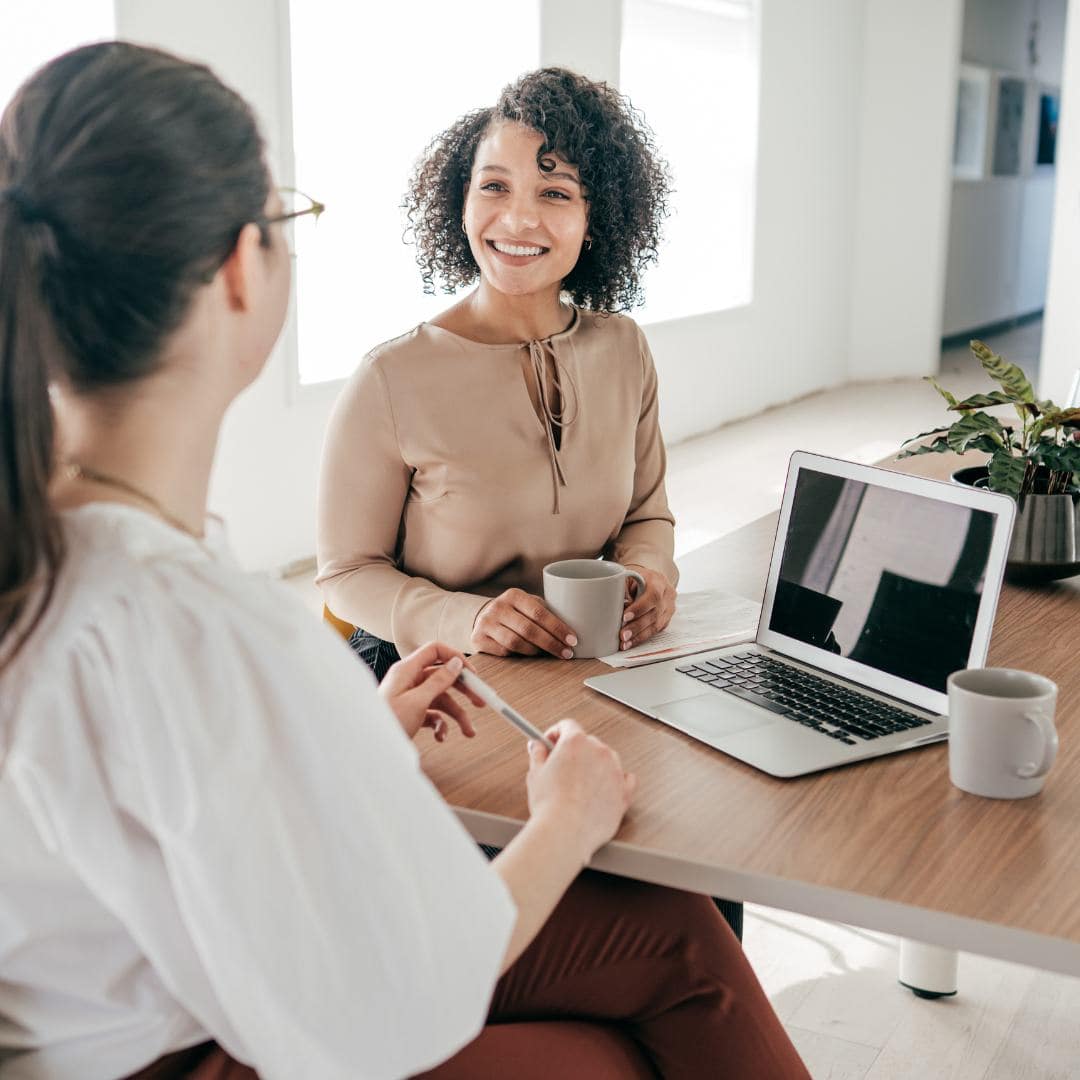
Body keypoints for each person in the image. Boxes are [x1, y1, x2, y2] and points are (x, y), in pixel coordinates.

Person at [0, 43, 809, 1078]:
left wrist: (355, 742)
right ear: (245, 266)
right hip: (206, 1047)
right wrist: (566, 820)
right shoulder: (200, 618)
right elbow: (393, 1001)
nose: (518, 217)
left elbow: (172, 810)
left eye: (553, 192)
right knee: (641, 1024)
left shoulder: (78, 562)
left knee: (676, 940)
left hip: (175, 1002)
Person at [316, 68, 679, 681]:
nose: (516, 221)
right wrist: (468, 619)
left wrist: (651, 576)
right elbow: (347, 575)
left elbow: (646, 514)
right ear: (461, 202)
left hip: (578, 664)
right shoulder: (390, 377)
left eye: (555, 193)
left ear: (597, 219)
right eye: (494, 187)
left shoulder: (623, 348)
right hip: (426, 674)